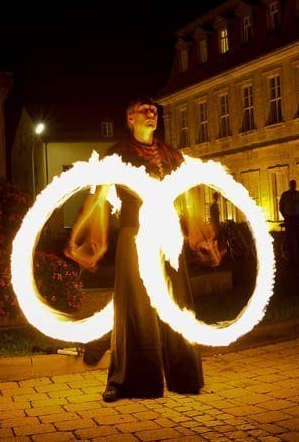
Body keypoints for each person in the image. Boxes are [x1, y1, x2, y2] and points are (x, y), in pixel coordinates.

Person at [65, 98, 214, 402]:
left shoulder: (172, 155)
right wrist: (89, 239)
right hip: (134, 235)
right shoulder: (117, 155)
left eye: (155, 111)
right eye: (144, 111)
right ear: (129, 119)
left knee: (178, 303)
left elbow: (189, 198)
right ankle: (130, 381)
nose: (152, 114)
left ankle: (185, 376)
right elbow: (99, 198)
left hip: (168, 235)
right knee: (135, 309)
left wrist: (199, 237)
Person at [279, 180, 299, 264]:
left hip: (298, 218)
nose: (293, 185)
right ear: (289, 185)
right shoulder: (285, 195)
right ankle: (290, 257)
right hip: (289, 218)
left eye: (294, 184)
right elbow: (281, 207)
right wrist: (285, 216)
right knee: (290, 238)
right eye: (292, 184)